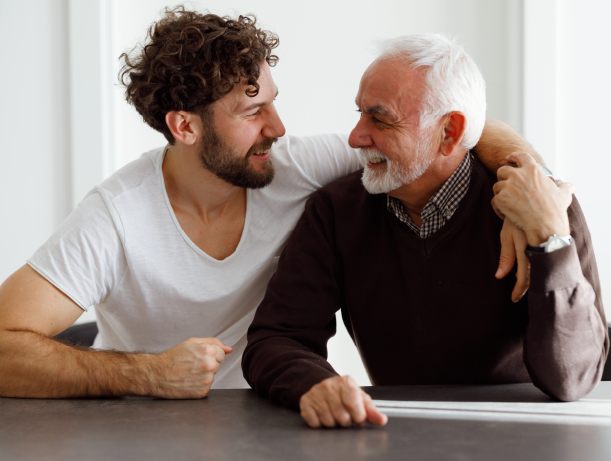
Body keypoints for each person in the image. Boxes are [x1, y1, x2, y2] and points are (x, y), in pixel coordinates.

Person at [0, 9, 535, 398]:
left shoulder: (292, 165)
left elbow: (447, 126)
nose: (277, 128)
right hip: (141, 428)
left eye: (273, 102)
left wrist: (527, 185)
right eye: (252, 110)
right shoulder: (115, 217)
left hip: (266, 420)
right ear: (184, 126)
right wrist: (146, 374)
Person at [242, 34, 609, 428]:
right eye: (359, 113)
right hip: (399, 433)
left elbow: (572, 379)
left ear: (449, 132)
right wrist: (314, 384)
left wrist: (551, 242)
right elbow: (275, 338)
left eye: (380, 119)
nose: (355, 137)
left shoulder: (542, 208)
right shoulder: (336, 212)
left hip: (526, 437)